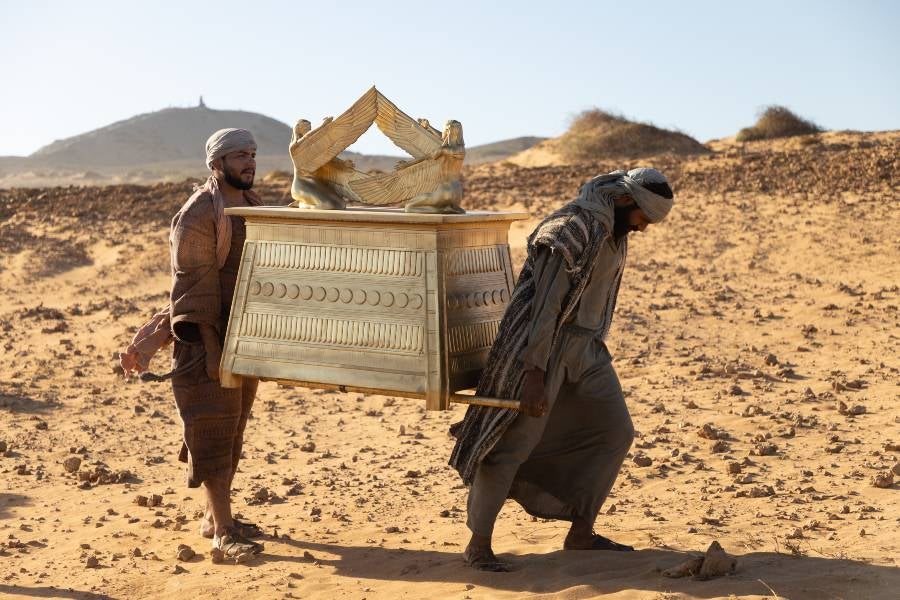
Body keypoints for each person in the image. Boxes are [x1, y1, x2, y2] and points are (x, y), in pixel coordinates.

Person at [449, 168, 675, 571]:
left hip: (588, 349)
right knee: (512, 444)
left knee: (616, 432)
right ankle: (478, 544)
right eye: (644, 219)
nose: (643, 229)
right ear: (626, 201)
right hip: (545, 348)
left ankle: (581, 532)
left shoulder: (614, 232)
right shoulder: (569, 230)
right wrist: (534, 373)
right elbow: (545, 308)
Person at [167, 128, 264, 559]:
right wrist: (211, 349)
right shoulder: (200, 212)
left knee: (234, 430)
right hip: (205, 342)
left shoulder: (256, 206)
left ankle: (214, 517)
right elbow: (194, 285)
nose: (249, 161)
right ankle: (225, 532)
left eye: (253, 153)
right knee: (213, 433)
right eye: (239, 155)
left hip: (244, 339)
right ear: (216, 163)